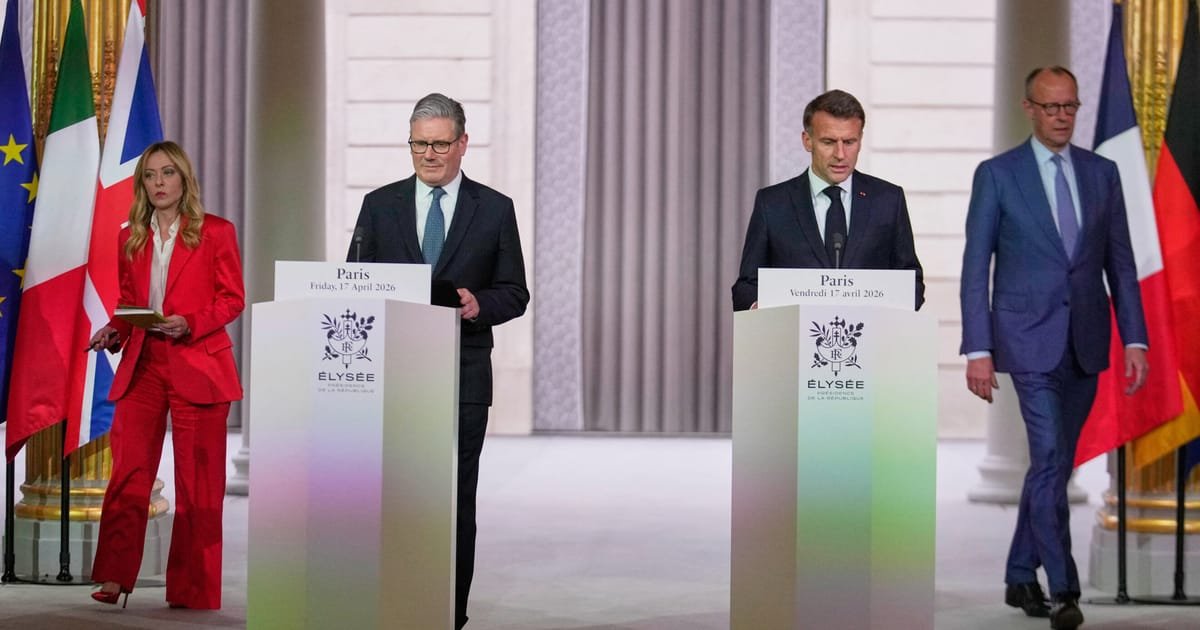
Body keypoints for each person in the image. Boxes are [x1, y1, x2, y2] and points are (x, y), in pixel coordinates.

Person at [960, 66, 1149, 630]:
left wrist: (1134, 336)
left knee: (1054, 464)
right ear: (1029, 108)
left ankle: (1021, 572)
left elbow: (1121, 262)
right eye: (1051, 107)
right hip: (1025, 341)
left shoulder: (1102, 172)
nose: (1062, 116)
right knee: (1049, 460)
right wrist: (978, 348)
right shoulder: (998, 175)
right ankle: (1064, 588)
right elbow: (975, 268)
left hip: (1086, 341)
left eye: (1070, 106)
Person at [347, 92, 529, 629]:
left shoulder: (494, 208)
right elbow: (354, 281)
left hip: (461, 377)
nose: (428, 154)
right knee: (394, 497)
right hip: (391, 378)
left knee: (453, 500)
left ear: (463, 143)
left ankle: (449, 613)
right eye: (419, 144)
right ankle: (393, 605)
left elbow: (515, 292)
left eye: (440, 144)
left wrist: (478, 304)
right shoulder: (379, 205)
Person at [87, 141, 244, 609]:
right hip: (145, 365)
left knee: (198, 484)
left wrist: (189, 323)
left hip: (198, 362)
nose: (159, 183)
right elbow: (129, 303)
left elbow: (232, 299)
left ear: (184, 179)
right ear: (143, 184)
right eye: (151, 175)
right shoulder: (130, 237)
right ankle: (114, 576)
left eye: (168, 173)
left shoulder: (215, 232)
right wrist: (113, 331)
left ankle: (193, 588)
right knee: (128, 473)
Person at [731, 89, 925, 311]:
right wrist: (764, 309)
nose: (840, 154)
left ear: (860, 140)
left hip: (872, 332)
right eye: (829, 142)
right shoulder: (773, 204)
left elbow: (912, 282)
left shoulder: (888, 200)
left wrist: (891, 309)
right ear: (807, 141)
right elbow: (746, 287)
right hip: (794, 332)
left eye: (849, 142)